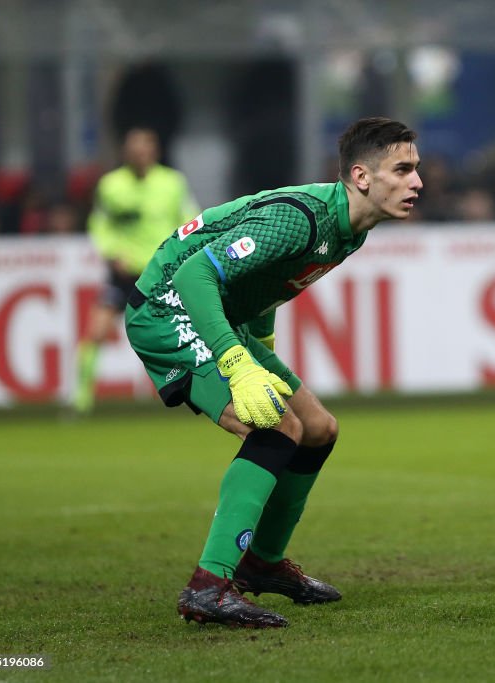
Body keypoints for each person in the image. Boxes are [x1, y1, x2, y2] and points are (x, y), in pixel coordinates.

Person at [124, 117, 423, 628]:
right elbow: (197, 274)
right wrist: (237, 360)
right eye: (403, 169)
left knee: (319, 429)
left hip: (225, 317)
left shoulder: (350, 229)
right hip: (168, 308)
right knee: (277, 425)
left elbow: (262, 281)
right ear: (362, 177)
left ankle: (262, 563)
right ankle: (209, 586)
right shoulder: (302, 218)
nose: (418, 182)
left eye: (417, 169)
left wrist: (260, 347)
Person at [72, 127, 197, 413]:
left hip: (162, 276)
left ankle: (192, 394)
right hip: (124, 275)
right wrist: (112, 253)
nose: (140, 155)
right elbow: (100, 225)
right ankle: (81, 400)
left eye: (145, 149)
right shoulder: (111, 186)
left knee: (182, 336)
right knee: (96, 332)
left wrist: (178, 257)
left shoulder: (172, 183)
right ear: (125, 153)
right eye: (135, 150)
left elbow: (189, 221)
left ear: (155, 152)